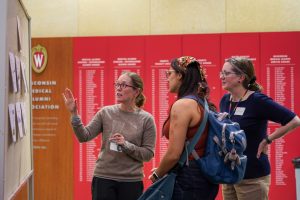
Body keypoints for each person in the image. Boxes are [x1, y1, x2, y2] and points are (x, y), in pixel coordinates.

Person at [63, 72, 157, 200]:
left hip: (131, 181)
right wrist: (74, 114)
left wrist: (126, 145)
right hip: (104, 178)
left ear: (136, 91)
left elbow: (148, 154)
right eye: (117, 84)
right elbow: (84, 136)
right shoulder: (106, 112)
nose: (118, 88)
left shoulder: (146, 119)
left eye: (123, 85)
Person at [219, 57, 300, 200]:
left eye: (226, 73)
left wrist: (268, 140)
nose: (221, 76)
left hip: (252, 177)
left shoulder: (257, 101)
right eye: (221, 72)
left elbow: (294, 120)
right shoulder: (225, 100)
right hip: (230, 174)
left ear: (241, 77)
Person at [148, 56, 219, 200]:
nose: (167, 79)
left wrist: (157, 174)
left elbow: (174, 153)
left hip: (189, 178)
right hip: (205, 176)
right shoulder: (201, 102)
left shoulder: (183, 105)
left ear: (180, 75)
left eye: (169, 74)